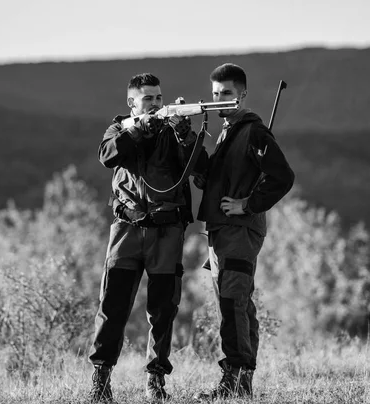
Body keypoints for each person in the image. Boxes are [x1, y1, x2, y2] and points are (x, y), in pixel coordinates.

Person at [89, 72, 207, 403]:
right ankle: (101, 380)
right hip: (126, 230)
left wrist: (184, 134)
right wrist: (141, 128)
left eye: (158, 98)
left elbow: (201, 167)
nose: (155, 103)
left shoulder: (174, 132)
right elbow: (107, 155)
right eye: (148, 99)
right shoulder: (119, 128)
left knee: (162, 310)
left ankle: (155, 382)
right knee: (112, 306)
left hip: (167, 232)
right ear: (132, 103)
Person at [194, 63, 295, 400]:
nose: (219, 99)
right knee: (236, 303)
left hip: (240, 230)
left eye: (226, 93)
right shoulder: (227, 131)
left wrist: (247, 205)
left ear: (242, 94)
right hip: (221, 233)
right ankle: (241, 381)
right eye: (214, 94)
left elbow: (282, 177)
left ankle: (234, 381)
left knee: (233, 303)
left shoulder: (253, 132)